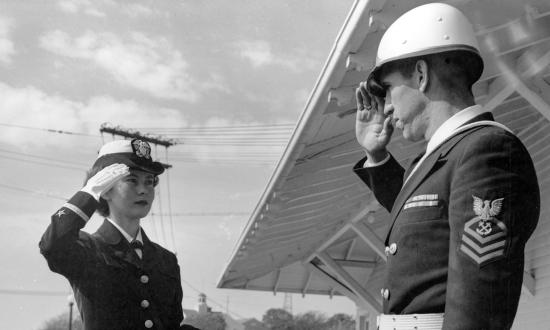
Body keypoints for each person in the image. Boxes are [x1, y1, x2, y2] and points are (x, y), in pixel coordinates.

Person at [352, 3, 539, 329]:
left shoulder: (487, 151)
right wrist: (377, 157)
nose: (388, 105)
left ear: (421, 76)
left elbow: (479, 309)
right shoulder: (447, 156)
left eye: (391, 88)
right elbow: (422, 221)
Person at [39, 139, 197, 330]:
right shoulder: (88, 249)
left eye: (149, 182)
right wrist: (89, 193)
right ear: (105, 191)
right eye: (132, 180)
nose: (143, 190)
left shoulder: (166, 260)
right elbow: (52, 245)